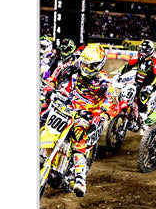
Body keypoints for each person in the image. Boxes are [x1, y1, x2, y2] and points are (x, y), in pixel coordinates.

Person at [47, 43, 112, 197]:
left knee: (78, 135)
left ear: (98, 65)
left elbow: (111, 98)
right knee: (44, 116)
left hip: (87, 113)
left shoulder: (103, 80)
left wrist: (104, 114)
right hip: (69, 104)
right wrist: (50, 85)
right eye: (84, 63)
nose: (85, 68)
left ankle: (80, 179)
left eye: (90, 66)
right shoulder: (76, 65)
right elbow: (59, 72)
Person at [117, 39, 156, 122]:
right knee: (125, 94)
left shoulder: (154, 62)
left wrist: (151, 86)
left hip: (148, 86)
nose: (144, 51)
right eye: (143, 49)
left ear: (151, 50)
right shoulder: (139, 57)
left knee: (141, 100)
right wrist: (119, 73)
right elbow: (128, 65)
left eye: (146, 50)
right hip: (137, 83)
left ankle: (143, 118)